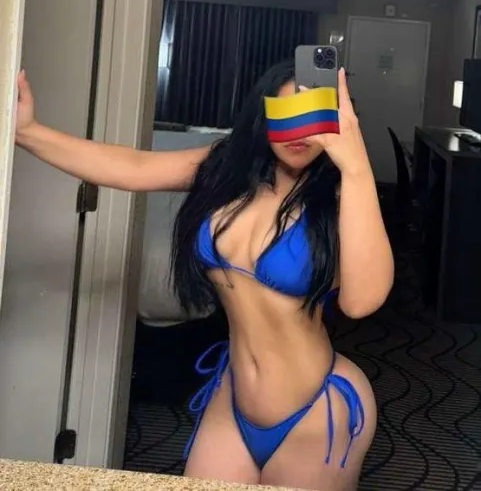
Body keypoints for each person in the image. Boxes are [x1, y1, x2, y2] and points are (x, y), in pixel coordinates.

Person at [15, 62, 393, 491]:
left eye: (313, 117)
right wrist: (27, 132)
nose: (298, 134)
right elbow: (133, 168)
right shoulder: (225, 170)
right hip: (233, 400)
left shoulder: (340, 195)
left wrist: (356, 167)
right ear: (263, 114)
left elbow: (361, 301)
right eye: (286, 115)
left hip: (316, 408)